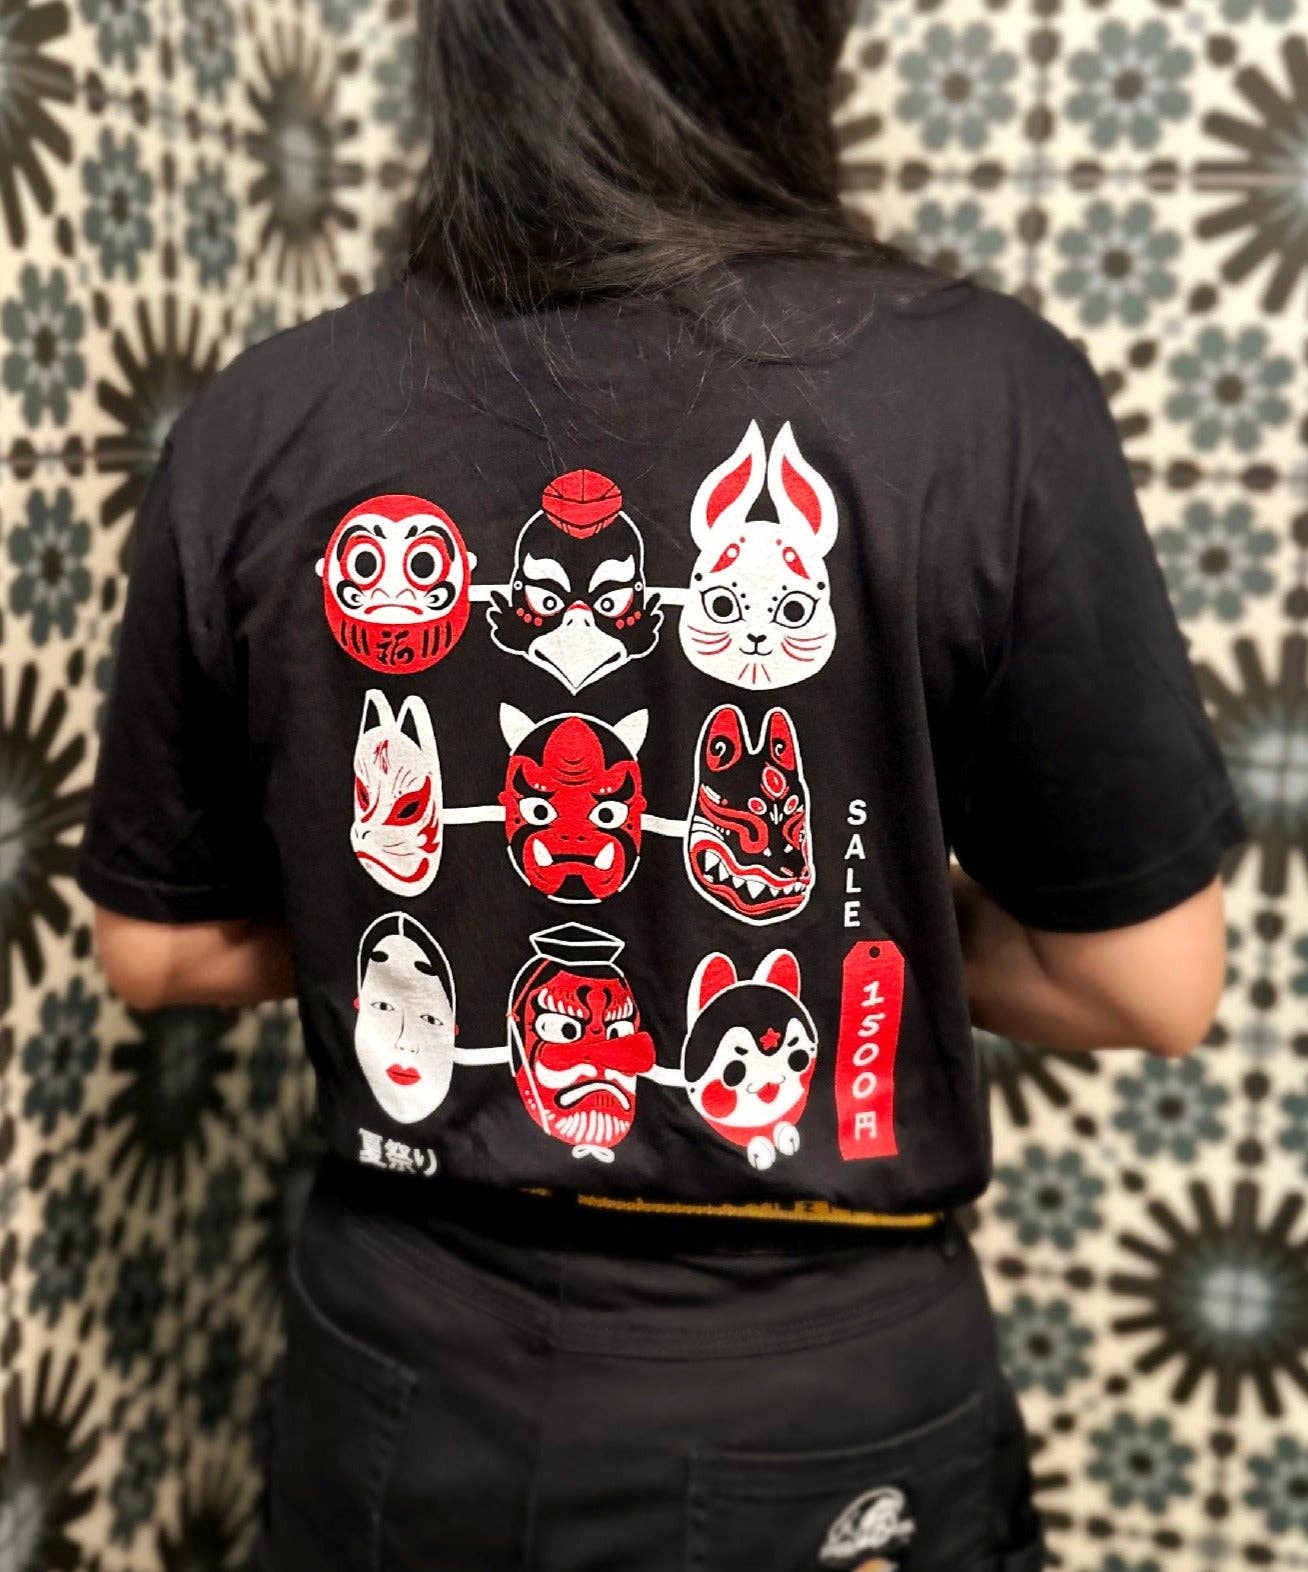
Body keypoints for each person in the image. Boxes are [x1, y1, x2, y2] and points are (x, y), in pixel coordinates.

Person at [74, 2, 1249, 1569]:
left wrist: (467, 913)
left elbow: (156, 951)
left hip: (401, 1388)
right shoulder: (986, 396)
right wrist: (837, 925)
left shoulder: (265, 414)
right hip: (806, 1401)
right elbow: (1148, 982)